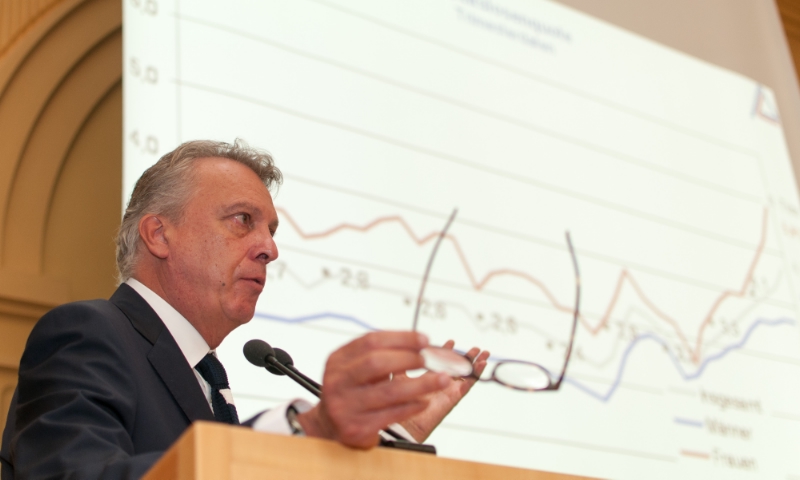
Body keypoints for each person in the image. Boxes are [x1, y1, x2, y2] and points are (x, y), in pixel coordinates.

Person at [0, 139, 488, 479]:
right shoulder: (89, 334)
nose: (269, 249)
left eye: (270, 230)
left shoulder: (205, 377)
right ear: (159, 234)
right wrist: (305, 428)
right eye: (242, 220)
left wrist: (393, 436)